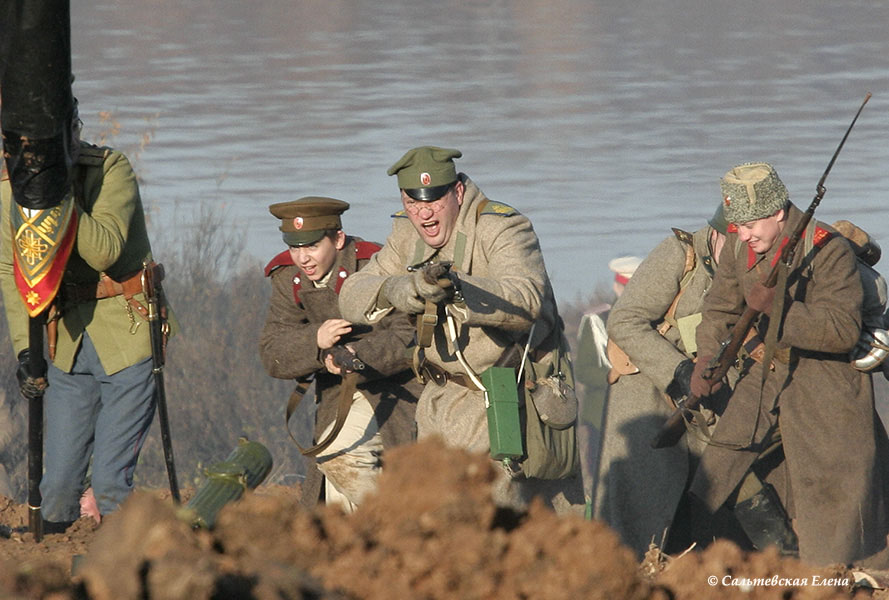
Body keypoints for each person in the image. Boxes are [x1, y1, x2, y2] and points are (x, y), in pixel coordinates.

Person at [338, 146, 583, 514]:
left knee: (492, 514)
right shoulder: (406, 233)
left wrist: (458, 288)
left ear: (457, 193)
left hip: (505, 392)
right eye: (412, 201)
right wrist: (398, 289)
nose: (423, 212)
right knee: (434, 512)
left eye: (434, 200)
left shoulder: (501, 226)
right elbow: (352, 294)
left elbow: (526, 298)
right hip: (439, 397)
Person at [689, 162, 889, 566]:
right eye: (737, 226)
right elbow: (720, 307)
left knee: (832, 515)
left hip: (826, 391)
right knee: (711, 481)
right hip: (763, 381)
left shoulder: (827, 247)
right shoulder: (742, 239)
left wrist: (779, 311)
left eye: (750, 226)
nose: (743, 236)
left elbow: (842, 330)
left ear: (778, 212)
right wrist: (708, 356)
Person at [0, 99, 175, 527]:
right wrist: (27, 351)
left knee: (113, 483)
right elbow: (11, 271)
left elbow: (105, 252)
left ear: (73, 130)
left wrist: (56, 197)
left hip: (128, 334)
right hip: (66, 343)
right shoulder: (9, 189)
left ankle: (124, 572)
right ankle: (52, 568)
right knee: (55, 488)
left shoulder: (110, 169)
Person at [259, 196, 420, 512]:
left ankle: (401, 523)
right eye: (295, 248)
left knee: (339, 456)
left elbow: (408, 335)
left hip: (396, 392)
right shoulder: (287, 278)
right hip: (336, 397)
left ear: (338, 239)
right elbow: (272, 351)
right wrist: (315, 342)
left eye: (312, 246)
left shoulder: (375, 265)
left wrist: (355, 355)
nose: (303, 258)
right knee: (336, 493)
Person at [593, 206, 735, 558]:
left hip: (710, 411)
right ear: (714, 235)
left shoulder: (752, 270)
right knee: (640, 529)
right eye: (730, 246)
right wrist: (677, 371)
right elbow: (624, 321)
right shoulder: (678, 255)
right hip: (648, 400)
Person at [573, 255, 641, 519]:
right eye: (625, 288)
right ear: (617, 287)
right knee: (599, 476)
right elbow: (584, 370)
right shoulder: (596, 321)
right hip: (600, 412)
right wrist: (615, 374)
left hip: (636, 412)